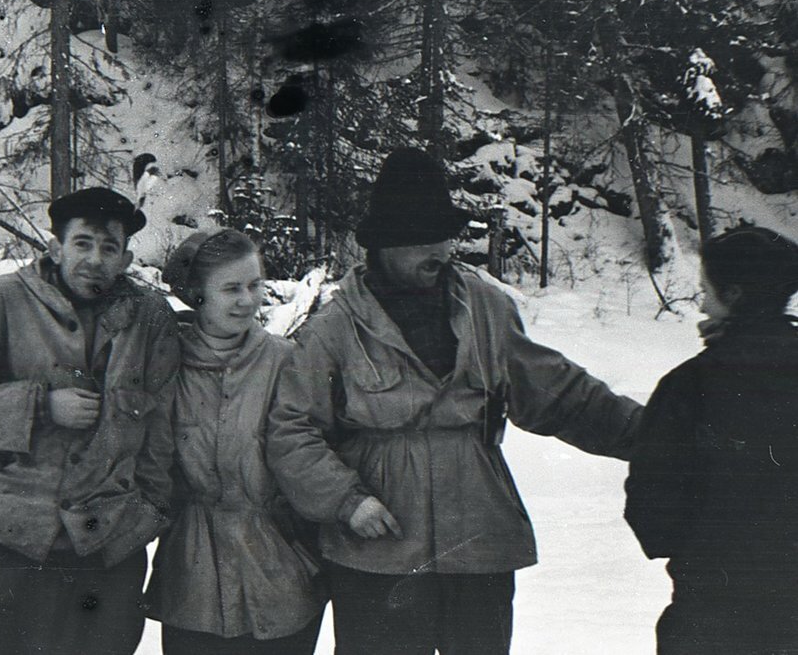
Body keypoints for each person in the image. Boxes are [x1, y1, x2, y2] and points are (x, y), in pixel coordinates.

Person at [267, 146, 643, 655]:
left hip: (479, 541)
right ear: (382, 246)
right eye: (422, 237)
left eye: (444, 233)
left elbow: (561, 393)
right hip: (378, 554)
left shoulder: (487, 308)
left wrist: (653, 433)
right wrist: (345, 501)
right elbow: (292, 432)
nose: (440, 249)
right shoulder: (332, 330)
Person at [0, 187, 180, 655]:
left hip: (106, 541)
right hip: (7, 534)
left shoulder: (150, 319)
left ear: (125, 258)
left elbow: (161, 433)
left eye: (109, 248)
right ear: (55, 246)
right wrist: (41, 406)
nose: (95, 259)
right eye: (82, 243)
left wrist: (145, 515)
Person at [144, 229, 326, 655]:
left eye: (254, 284)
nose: (248, 300)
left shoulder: (287, 361)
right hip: (193, 576)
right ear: (198, 295)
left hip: (279, 572)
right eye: (231, 288)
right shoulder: (166, 366)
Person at [625, 226, 798, 655]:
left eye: (707, 290)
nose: (702, 301)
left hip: (711, 613)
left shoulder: (689, 385)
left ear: (734, 294)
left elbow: (651, 506)